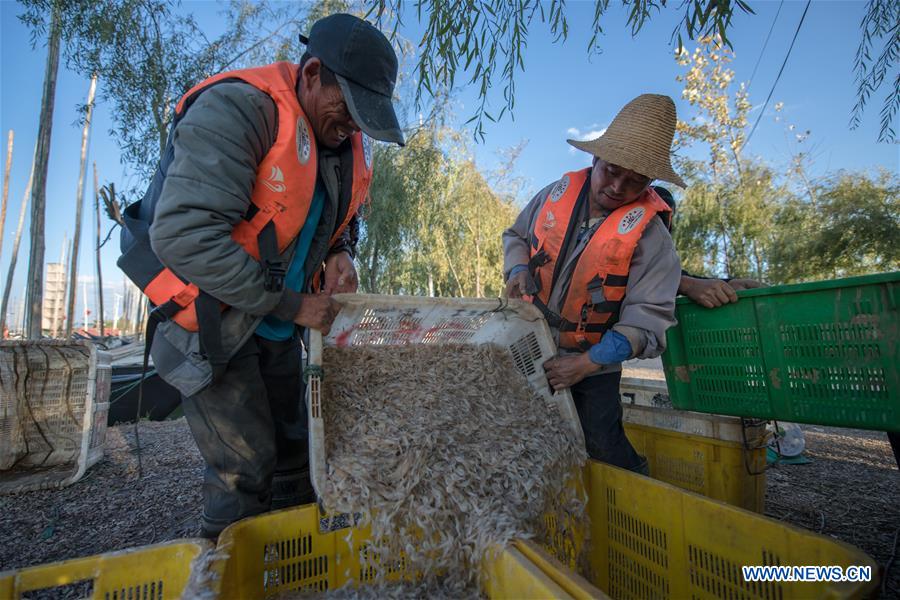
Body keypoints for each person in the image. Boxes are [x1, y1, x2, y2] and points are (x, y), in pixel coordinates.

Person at [118, 14, 404, 537]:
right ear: (312, 73)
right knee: (243, 470)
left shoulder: (338, 139)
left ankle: (295, 570)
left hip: (273, 323)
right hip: (212, 324)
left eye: (366, 118)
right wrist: (295, 306)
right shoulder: (239, 111)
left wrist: (342, 249)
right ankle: (228, 572)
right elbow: (184, 236)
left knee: (297, 452)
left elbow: (338, 212)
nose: (355, 127)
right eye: (350, 110)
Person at [503, 94, 683, 473]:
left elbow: (645, 324)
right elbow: (516, 236)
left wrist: (584, 364)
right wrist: (518, 270)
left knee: (601, 446)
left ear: (649, 183)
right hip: (527, 342)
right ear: (595, 159)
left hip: (594, 361)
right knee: (517, 439)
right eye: (611, 171)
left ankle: (636, 502)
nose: (617, 187)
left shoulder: (652, 238)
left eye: (633, 182)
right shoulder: (553, 195)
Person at [652, 185, 766, 308]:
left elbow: (674, 275)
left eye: (665, 217)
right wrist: (687, 285)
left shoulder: (661, 254)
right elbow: (638, 278)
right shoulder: (633, 241)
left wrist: (728, 284)